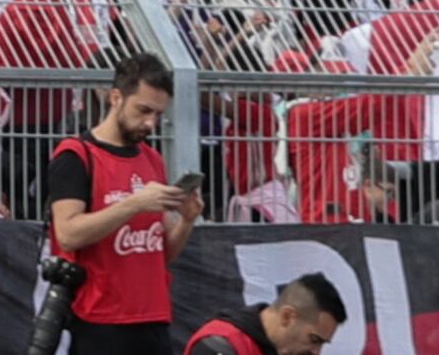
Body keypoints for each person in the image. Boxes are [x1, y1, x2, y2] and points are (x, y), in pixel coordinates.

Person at [50, 50, 196, 355]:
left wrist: (186, 220)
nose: (150, 123)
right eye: (143, 110)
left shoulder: (152, 159)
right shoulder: (77, 155)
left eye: (158, 114)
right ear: (116, 98)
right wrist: (133, 204)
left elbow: (158, 254)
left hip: (153, 318)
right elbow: (68, 234)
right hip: (101, 320)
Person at [186, 272, 355, 355]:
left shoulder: (281, 349)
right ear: (287, 317)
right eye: (313, 340)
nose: (316, 351)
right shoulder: (220, 344)